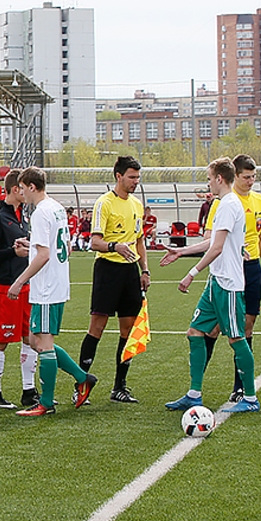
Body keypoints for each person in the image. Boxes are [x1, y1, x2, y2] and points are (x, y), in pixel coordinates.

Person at [163, 157, 259, 413]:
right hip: (216, 281)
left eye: (209, 178)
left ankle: (250, 399)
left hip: (228, 284)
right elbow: (213, 243)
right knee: (195, 332)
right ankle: (194, 394)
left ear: (219, 178)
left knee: (237, 338)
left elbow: (217, 248)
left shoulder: (228, 205)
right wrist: (181, 252)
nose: (208, 183)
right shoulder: (222, 204)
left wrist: (191, 273)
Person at [8, 167, 97, 417]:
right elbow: (64, 248)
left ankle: (46, 403)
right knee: (36, 341)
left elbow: (46, 255)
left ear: (31, 186)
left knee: (44, 344)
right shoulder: (56, 208)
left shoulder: (40, 212)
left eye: (23, 188)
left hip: (46, 288)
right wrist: (32, 246)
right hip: (56, 284)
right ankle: (82, 378)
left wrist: (19, 282)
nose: (21, 193)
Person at [201, 155, 261, 402]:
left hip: (251, 268)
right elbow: (211, 239)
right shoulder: (222, 203)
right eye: (246, 177)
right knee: (212, 329)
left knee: (246, 327)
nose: (251, 181)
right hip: (230, 270)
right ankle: (196, 385)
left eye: (254, 177)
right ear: (236, 176)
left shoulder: (259, 201)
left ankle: (240, 387)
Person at [79, 156, 148, 404]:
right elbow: (94, 242)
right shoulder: (104, 203)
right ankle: (81, 385)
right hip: (107, 269)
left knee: (128, 330)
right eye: (132, 177)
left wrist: (145, 271)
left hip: (130, 272)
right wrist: (114, 246)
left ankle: (119, 387)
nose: (135, 182)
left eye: (138, 177)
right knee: (97, 327)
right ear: (118, 176)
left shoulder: (137, 205)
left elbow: (140, 240)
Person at [0, 169, 38, 409]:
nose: (26, 193)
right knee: (1, 341)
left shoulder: (21, 215)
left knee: (29, 338)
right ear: (16, 189)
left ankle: (29, 390)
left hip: (26, 285)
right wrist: (12, 252)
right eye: (24, 189)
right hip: (5, 287)